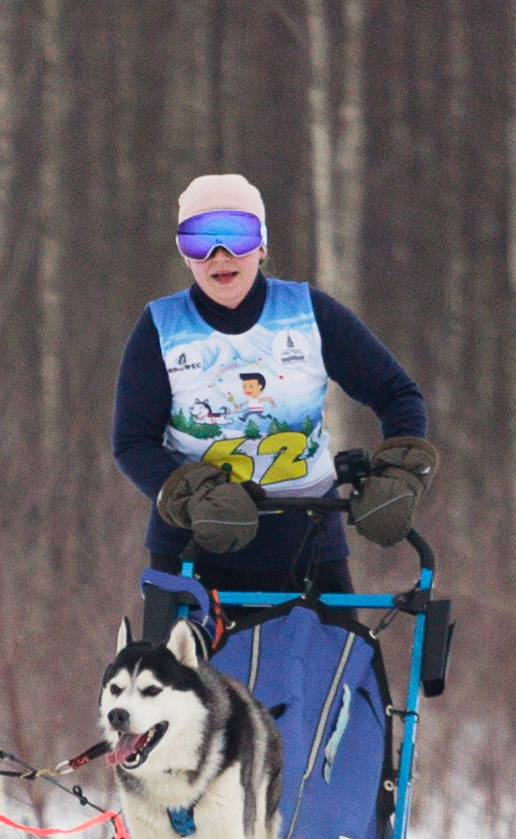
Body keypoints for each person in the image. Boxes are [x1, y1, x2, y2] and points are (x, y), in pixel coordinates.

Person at [111, 172, 436, 604]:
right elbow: (133, 442)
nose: (220, 256)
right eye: (200, 241)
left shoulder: (309, 314)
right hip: (193, 552)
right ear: (185, 255)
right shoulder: (160, 327)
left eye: (237, 236)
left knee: (341, 652)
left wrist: (397, 475)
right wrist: (193, 496)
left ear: (262, 245)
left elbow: (398, 395)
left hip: (309, 550)